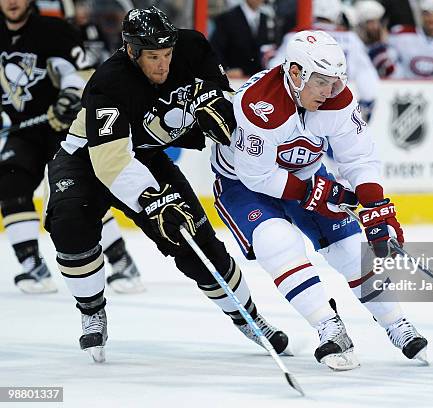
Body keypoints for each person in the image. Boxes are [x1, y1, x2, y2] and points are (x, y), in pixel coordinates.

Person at [43, 6, 288, 362]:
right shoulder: (107, 84)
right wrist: (152, 198)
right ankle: (91, 309)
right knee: (69, 222)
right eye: (153, 57)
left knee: (196, 240)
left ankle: (250, 317)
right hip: (87, 158)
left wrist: (218, 105)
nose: (163, 65)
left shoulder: (192, 47)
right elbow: (110, 160)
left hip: (144, 154)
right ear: (132, 51)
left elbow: (218, 90)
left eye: (167, 55)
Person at [211, 30, 428, 370]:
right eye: (322, 82)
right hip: (244, 184)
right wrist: (311, 192)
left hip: (305, 174)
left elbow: (358, 156)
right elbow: (258, 176)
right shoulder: (258, 105)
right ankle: (329, 327)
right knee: (277, 241)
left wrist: (374, 205)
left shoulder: (336, 97)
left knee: (350, 245)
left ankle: (395, 322)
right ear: (295, 74)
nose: (330, 92)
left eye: (336, 81)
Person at [0, 0, 142, 294]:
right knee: (9, 183)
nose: (12, 2)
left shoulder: (53, 30)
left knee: (73, 192)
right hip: (22, 130)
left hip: (60, 127)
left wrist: (69, 96)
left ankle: (121, 261)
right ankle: (32, 267)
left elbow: (83, 71)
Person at [268, 0, 380, 122]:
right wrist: (367, 102)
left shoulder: (297, 36)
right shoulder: (350, 38)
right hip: (338, 105)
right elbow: (365, 73)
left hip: (301, 101)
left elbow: (276, 68)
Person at [387, 0, 433, 79]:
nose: (431, 19)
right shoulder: (401, 36)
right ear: (420, 15)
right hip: (407, 89)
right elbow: (390, 63)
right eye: (427, 14)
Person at [210, 0, 278, 79]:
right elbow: (215, 50)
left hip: (257, 80)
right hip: (234, 80)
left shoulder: (266, 19)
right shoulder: (227, 18)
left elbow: (268, 49)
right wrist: (225, 70)